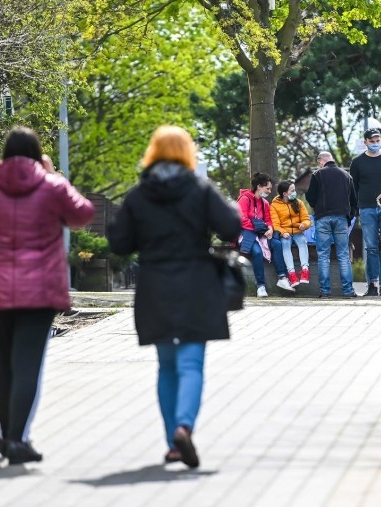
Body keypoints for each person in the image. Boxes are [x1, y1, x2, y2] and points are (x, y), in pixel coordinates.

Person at [0, 126, 94, 464]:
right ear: (36, 153)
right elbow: (83, 214)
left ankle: (7, 436)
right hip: (40, 293)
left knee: (0, 365)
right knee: (28, 363)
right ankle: (17, 440)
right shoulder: (52, 185)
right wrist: (51, 176)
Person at [107, 125, 241, 469]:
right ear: (187, 153)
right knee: (191, 363)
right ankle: (185, 426)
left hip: (155, 285)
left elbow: (120, 244)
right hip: (196, 284)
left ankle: (173, 443)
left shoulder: (139, 195)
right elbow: (230, 226)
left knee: (166, 366)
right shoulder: (199, 188)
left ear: (152, 152)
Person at [350, 128, 381, 297]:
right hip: (366, 208)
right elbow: (354, 187)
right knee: (371, 248)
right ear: (365, 142)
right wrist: (356, 208)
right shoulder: (357, 162)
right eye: (371, 141)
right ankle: (373, 284)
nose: (375, 143)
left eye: (377, 140)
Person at [306, 152, 358, 298]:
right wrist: (349, 217)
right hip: (341, 218)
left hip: (323, 218)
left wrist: (318, 207)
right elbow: (354, 200)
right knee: (343, 255)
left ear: (321, 161)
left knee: (323, 255)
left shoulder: (318, 175)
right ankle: (348, 291)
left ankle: (325, 291)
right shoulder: (346, 176)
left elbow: (310, 197)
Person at [238, 172, 293, 296]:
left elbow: (268, 220)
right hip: (247, 233)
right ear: (259, 186)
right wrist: (258, 228)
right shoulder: (244, 199)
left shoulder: (265, 203)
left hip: (262, 234)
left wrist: (270, 229)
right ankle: (261, 286)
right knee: (257, 252)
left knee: (277, 244)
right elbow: (242, 219)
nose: (269, 191)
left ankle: (282, 278)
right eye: (267, 188)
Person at [270, 180, 312, 287]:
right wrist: (283, 233)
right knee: (285, 245)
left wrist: (304, 224)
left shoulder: (299, 203)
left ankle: (305, 270)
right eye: (292, 190)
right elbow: (275, 224)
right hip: (285, 233)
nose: (295, 192)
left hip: (298, 232)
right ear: (284, 194)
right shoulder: (274, 206)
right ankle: (292, 274)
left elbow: (307, 219)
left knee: (303, 242)